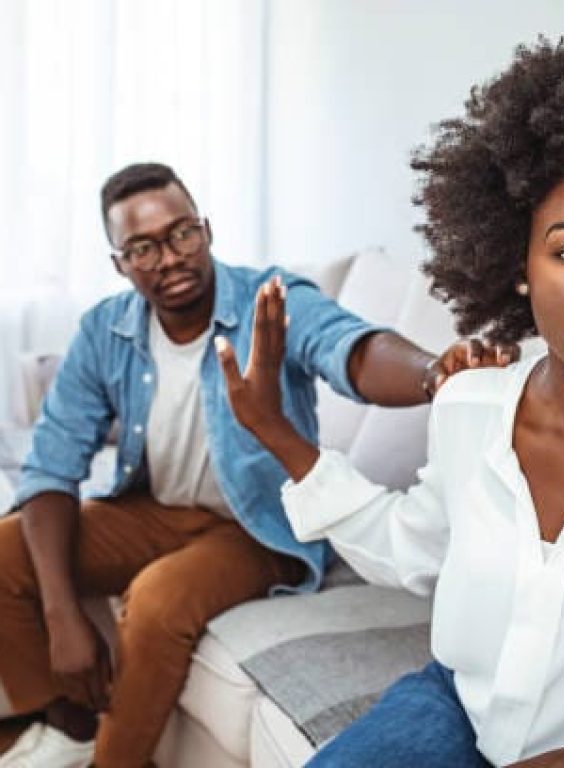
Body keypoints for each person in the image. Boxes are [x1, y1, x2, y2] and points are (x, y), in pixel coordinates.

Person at [217, 27, 564, 767]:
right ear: (519, 265)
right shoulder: (470, 405)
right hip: (454, 707)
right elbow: (413, 549)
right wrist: (274, 429)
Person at [0, 162, 512, 768]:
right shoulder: (104, 330)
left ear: (206, 229)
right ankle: (70, 724)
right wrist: (62, 616)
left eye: (181, 233)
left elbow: (350, 348)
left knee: (159, 602)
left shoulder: (273, 298)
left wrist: (434, 374)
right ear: (119, 263)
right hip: (158, 511)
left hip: (260, 527)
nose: (168, 257)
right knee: (10, 549)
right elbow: (51, 468)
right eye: (142, 248)